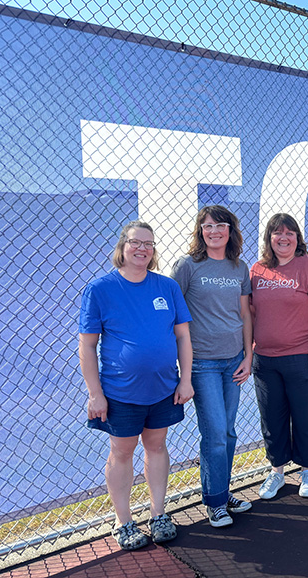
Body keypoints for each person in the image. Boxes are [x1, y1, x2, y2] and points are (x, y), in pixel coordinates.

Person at [79, 221, 193, 550]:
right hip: (120, 393)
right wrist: (95, 394)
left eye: (149, 244)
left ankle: (158, 514)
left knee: (156, 447)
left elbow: (183, 336)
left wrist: (185, 380)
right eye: (135, 243)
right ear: (122, 247)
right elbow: (87, 346)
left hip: (163, 389)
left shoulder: (167, 287)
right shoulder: (100, 289)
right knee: (122, 452)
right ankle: (124, 521)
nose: (142, 248)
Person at [171, 206, 253, 529]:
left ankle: (222, 490)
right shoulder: (188, 266)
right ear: (200, 231)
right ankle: (215, 502)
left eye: (221, 225)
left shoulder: (239, 267)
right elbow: (174, 315)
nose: (214, 230)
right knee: (215, 434)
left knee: (229, 433)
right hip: (202, 364)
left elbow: (246, 315)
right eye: (208, 226)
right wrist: (183, 370)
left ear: (230, 231)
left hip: (234, 361)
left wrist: (248, 356)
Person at [250, 213, 308, 499]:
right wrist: (249, 350)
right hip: (265, 360)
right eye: (277, 233)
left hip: (302, 358)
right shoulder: (258, 270)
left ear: (298, 238)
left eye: (289, 233)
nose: (283, 238)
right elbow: (250, 314)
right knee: (272, 418)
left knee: (306, 416)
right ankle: (277, 472)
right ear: (269, 238)